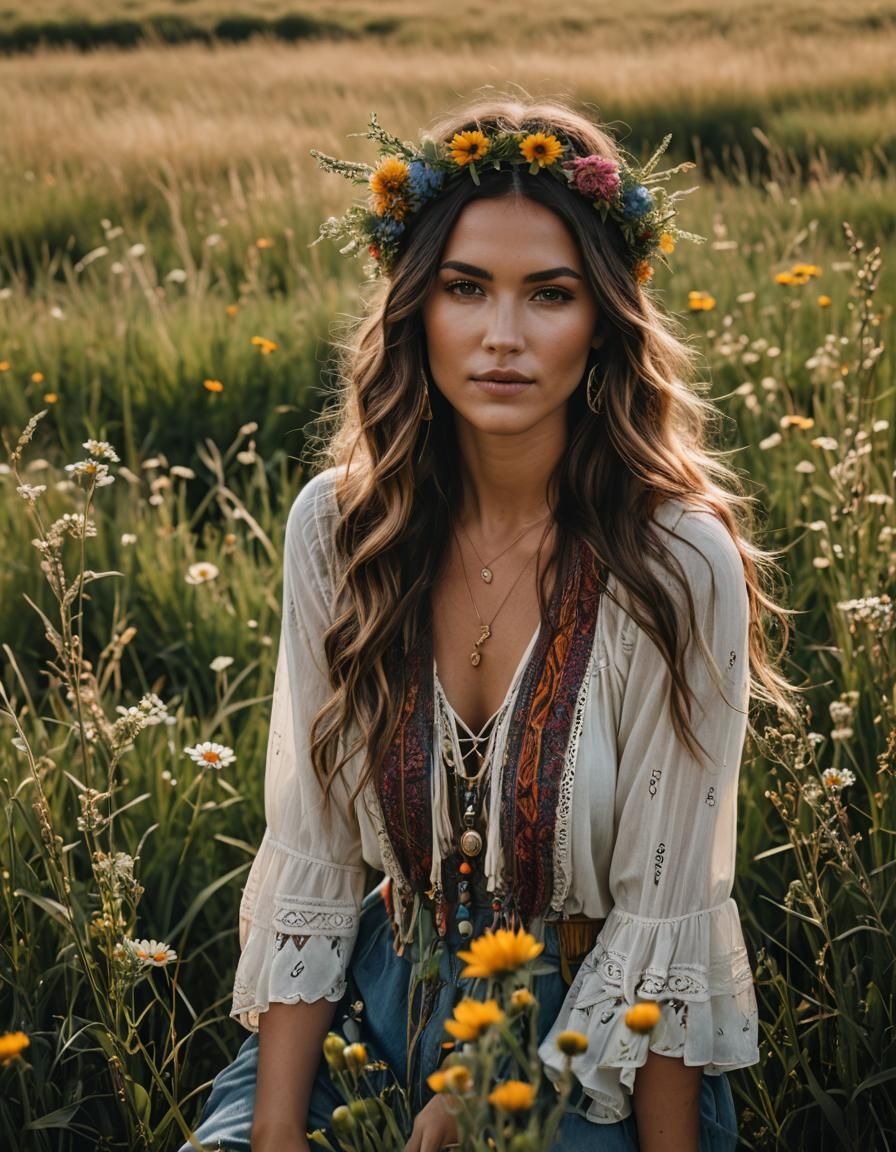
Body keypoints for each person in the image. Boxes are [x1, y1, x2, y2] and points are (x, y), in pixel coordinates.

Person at [180, 95, 795, 1152]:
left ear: (601, 318)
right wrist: (273, 1128)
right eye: (465, 288)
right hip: (363, 1014)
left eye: (548, 294)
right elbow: (317, 860)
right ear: (415, 306)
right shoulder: (338, 527)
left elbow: (664, 925)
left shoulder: (672, 562)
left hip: (590, 1033)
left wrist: (509, 1092)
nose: (501, 336)